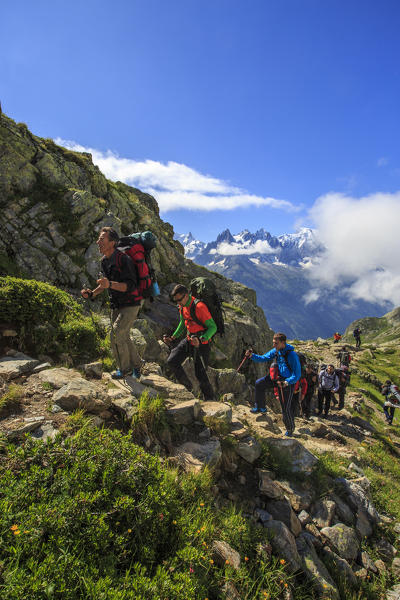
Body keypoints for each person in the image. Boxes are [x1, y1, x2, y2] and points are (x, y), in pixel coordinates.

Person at [81, 227, 143, 380]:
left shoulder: (124, 259)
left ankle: (125, 370)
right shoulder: (104, 261)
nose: (98, 242)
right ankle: (137, 365)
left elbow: (130, 286)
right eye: (98, 239)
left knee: (116, 334)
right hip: (117, 304)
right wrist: (91, 293)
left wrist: (110, 285)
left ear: (113, 242)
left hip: (131, 303)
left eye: (102, 239)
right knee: (124, 336)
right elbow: (104, 284)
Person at [163, 284, 216, 401]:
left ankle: (210, 399)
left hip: (202, 343)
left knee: (200, 373)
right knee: (172, 361)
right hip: (189, 340)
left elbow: (213, 327)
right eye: (175, 300)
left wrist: (202, 339)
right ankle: (188, 389)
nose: (178, 302)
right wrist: (172, 337)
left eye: (179, 299)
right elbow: (183, 323)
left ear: (186, 295)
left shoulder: (199, 307)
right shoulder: (182, 307)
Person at [245, 333, 301, 437]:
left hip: (287, 383)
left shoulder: (292, 355)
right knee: (259, 384)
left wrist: (287, 382)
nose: (274, 345)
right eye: (273, 342)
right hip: (276, 378)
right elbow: (263, 358)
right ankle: (261, 407)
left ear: (283, 342)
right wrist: (251, 356)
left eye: (276, 343)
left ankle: (290, 429)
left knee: (285, 408)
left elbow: (297, 374)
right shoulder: (276, 351)